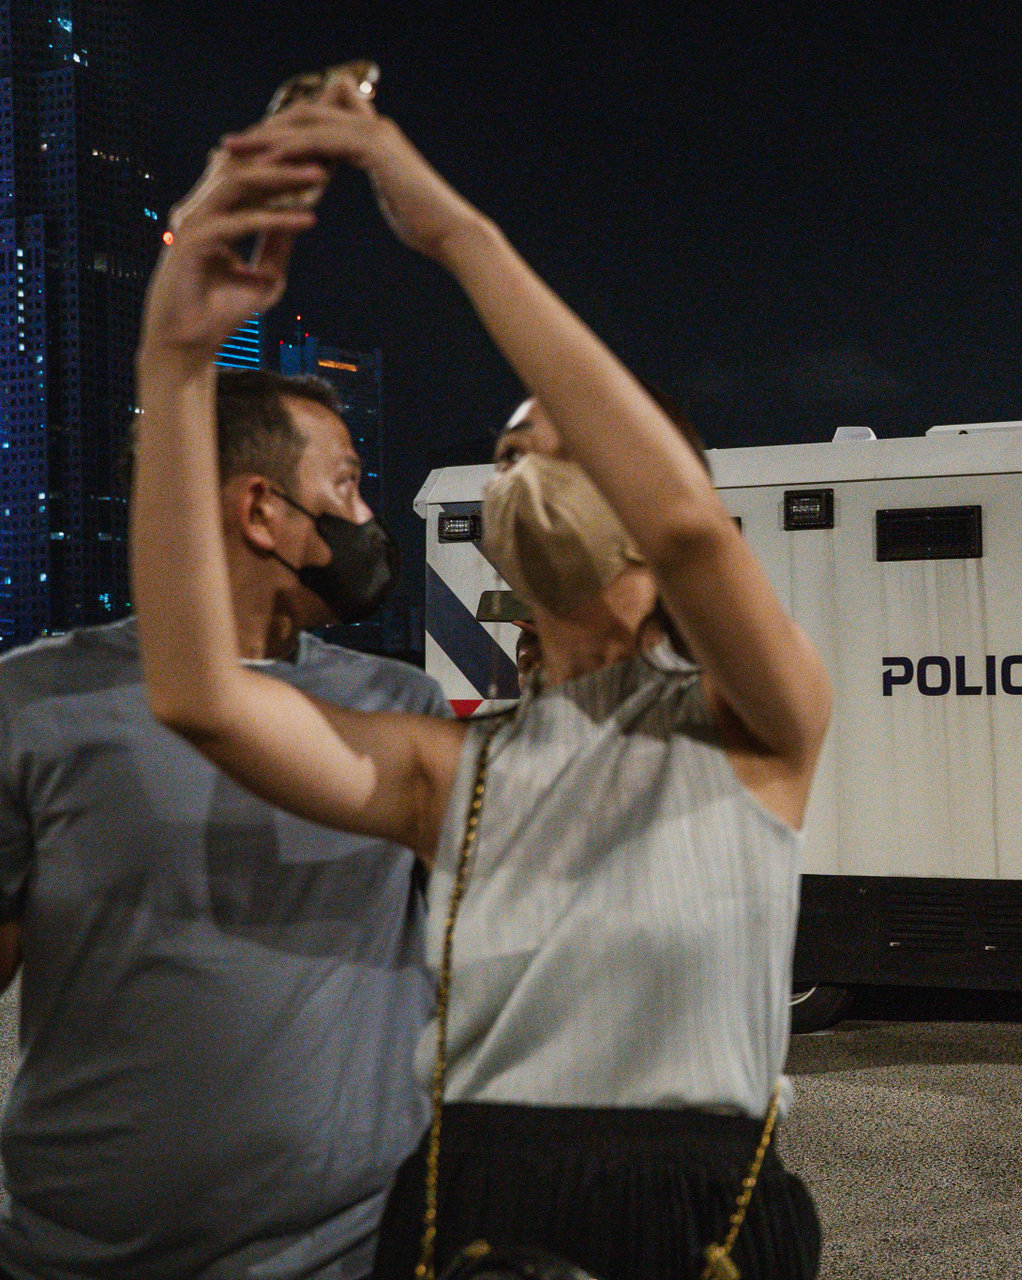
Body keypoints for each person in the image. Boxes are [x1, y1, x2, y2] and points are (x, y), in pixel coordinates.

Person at [130, 79, 832, 1280]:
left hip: (698, 1217)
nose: (520, 469)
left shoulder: (758, 725)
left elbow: (690, 531)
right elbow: (199, 694)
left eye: (564, 448)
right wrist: (176, 353)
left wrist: (456, 234)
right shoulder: (451, 769)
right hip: (470, 1205)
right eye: (509, 453)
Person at [0, 369, 447, 1279]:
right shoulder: (30, 702)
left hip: (357, 1255)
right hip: (77, 1261)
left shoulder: (402, 709)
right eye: (347, 485)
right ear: (261, 511)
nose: (367, 518)